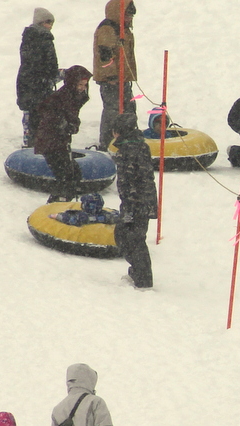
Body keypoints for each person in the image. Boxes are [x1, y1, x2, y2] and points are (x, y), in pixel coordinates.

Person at [34, 65, 93, 204]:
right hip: (51, 141)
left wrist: (72, 125)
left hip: (61, 140)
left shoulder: (74, 96)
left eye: (85, 85)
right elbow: (49, 116)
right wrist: (65, 125)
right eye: (80, 84)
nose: (82, 88)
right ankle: (56, 203)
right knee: (66, 176)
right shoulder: (60, 98)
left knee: (73, 174)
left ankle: (62, 201)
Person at [112, 113, 158, 289]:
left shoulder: (127, 150)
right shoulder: (139, 145)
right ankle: (140, 273)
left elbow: (129, 181)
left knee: (130, 238)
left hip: (135, 202)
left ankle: (143, 278)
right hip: (144, 200)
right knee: (132, 237)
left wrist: (129, 207)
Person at [93, 0, 138, 151]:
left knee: (128, 107)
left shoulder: (123, 29)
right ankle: (108, 143)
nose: (130, 19)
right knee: (113, 110)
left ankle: (127, 138)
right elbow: (105, 55)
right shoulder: (108, 29)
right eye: (127, 15)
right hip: (111, 81)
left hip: (123, 79)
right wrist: (111, 76)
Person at [16, 7, 62, 148]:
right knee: (40, 115)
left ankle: (30, 142)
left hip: (27, 82)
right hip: (39, 84)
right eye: (48, 22)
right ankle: (38, 144)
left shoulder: (29, 38)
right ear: (41, 23)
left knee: (30, 114)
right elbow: (47, 64)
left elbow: (30, 63)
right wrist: (51, 75)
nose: (50, 26)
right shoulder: (44, 39)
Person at [49, 193, 119, 226]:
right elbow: (114, 216)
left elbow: (72, 220)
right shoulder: (104, 215)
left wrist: (57, 216)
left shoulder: (83, 217)